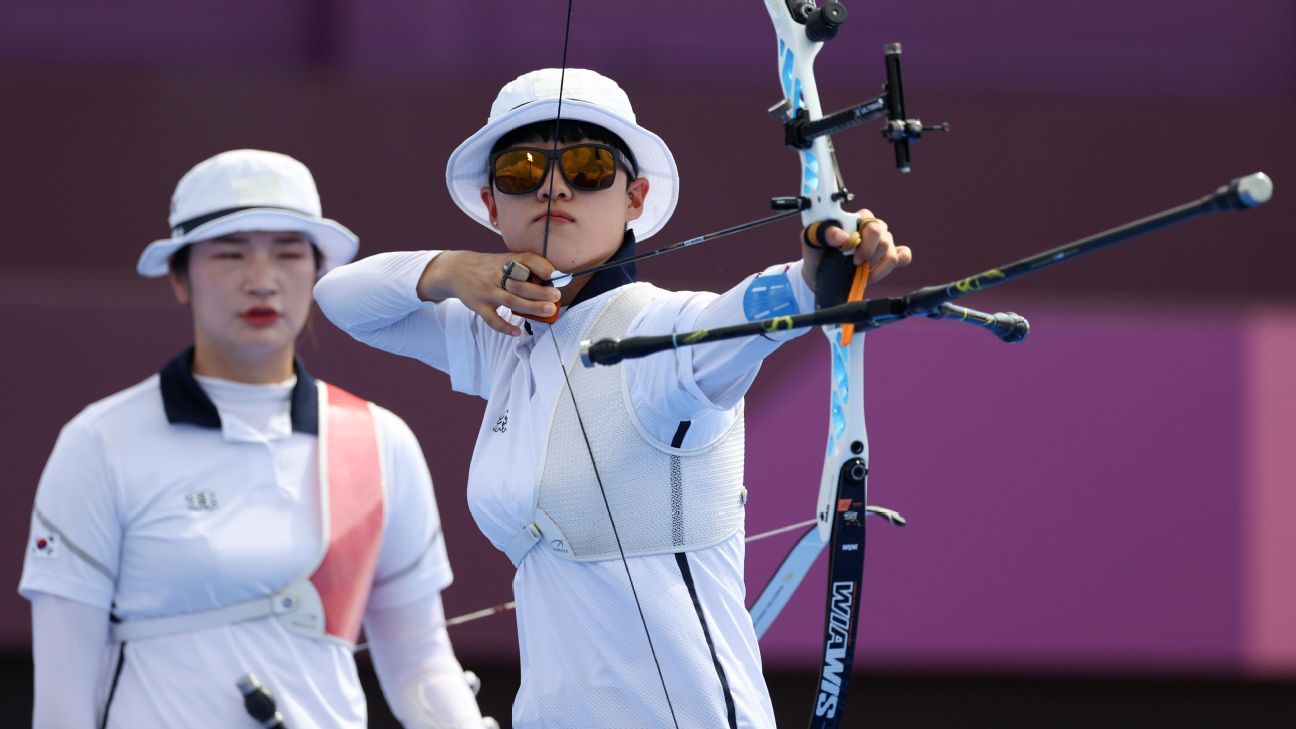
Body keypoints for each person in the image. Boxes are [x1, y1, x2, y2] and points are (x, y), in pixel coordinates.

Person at [314, 69, 911, 728]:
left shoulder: (658, 331)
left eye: (588, 164)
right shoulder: (503, 340)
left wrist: (817, 274)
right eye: (521, 170)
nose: (554, 184)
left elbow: (745, 312)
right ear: (492, 205)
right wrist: (452, 269)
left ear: (635, 196)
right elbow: (338, 298)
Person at [19, 149, 493, 728]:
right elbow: (63, 701)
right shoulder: (101, 442)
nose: (262, 280)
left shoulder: (379, 441)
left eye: (289, 254)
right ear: (179, 276)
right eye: (230, 254)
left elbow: (420, 661)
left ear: (318, 273)